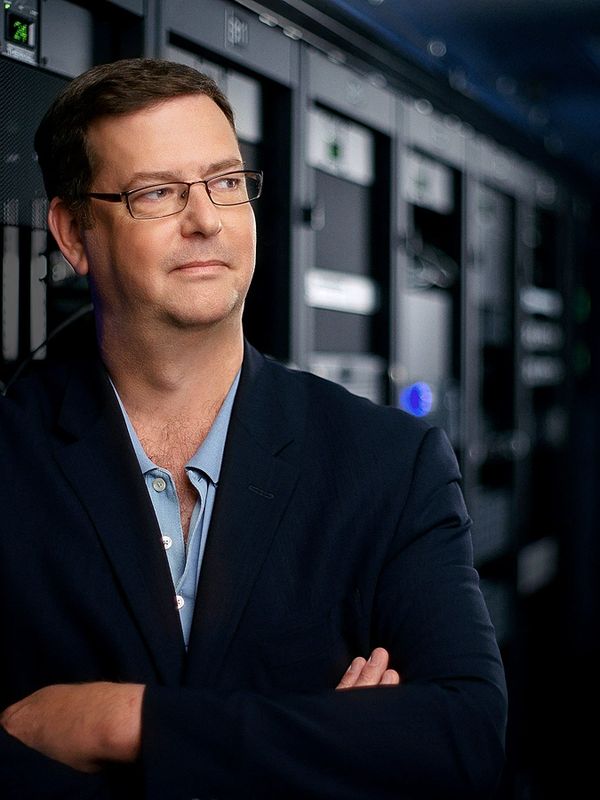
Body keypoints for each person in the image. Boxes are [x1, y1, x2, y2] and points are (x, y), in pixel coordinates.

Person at [0, 58, 507, 799]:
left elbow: (463, 738)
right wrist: (320, 742)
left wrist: (127, 722)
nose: (205, 218)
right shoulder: (12, 459)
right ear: (75, 233)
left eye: (226, 182)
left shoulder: (389, 464)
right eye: (159, 193)